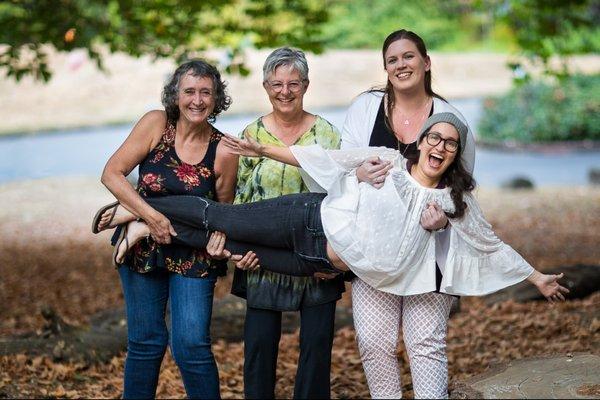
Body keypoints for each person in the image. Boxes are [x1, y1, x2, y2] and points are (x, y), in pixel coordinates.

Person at [99, 112, 567, 307]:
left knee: (234, 246)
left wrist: (537, 278)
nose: (439, 146)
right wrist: (262, 151)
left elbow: (491, 245)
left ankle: (143, 227)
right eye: (433, 137)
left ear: (457, 154)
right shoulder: (385, 161)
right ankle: (140, 209)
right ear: (421, 140)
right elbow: (322, 159)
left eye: (450, 143)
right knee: (217, 218)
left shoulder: (452, 203)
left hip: (319, 261)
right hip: (306, 217)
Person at [341, 29, 476, 398]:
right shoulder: (365, 108)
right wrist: (357, 173)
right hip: (374, 251)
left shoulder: (451, 116)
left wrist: (445, 219)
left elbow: (464, 189)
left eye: (409, 56)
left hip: (431, 255)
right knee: (373, 343)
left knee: (424, 344)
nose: (401, 65)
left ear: (426, 62)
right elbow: (339, 170)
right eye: (392, 60)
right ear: (385, 68)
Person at [94, 59, 238, 399]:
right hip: (142, 252)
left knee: (191, 346)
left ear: (217, 99)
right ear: (175, 96)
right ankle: (138, 223)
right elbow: (111, 173)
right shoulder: (156, 124)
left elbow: (221, 212)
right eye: (189, 91)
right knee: (145, 343)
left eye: (207, 93)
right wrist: (153, 218)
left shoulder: (224, 150)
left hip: (193, 253)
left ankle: (132, 220)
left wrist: (219, 242)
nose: (197, 100)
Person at [230, 47, 344, 399]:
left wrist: (335, 259)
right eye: (276, 84)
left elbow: (343, 201)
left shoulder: (327, 134)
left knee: (316, 346)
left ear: (306, 85)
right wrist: (239, 251)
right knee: (260, 347)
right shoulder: (251, 134)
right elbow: (240, 202)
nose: (285, 91)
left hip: (317, 254)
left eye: (293, 83)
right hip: (262, 256)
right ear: (265, 86)